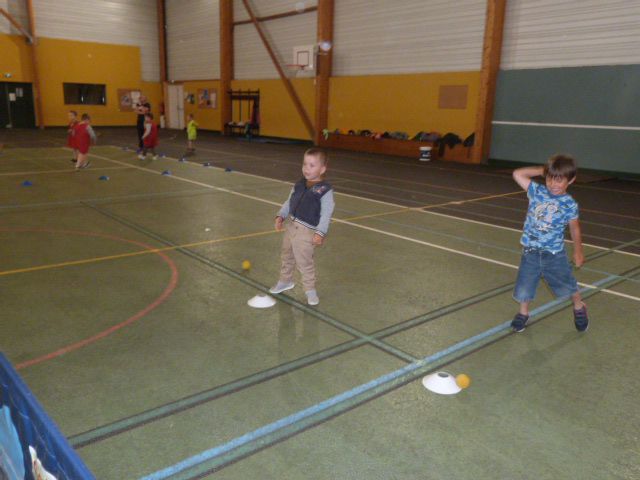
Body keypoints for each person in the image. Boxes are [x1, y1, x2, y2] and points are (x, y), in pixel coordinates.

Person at [511, 154, 589, 333]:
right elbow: (517, 174)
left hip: (554, 255)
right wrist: (544, 170)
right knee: (525, 285)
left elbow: (575, 228)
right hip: (530, 251)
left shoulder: (569, 204)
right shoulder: (536, 191)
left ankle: (579, 306)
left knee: (567, 285)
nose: (553, 184)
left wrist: (578, 251)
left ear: (571, 180)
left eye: (559, 180)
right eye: (550, 179)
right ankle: (523, 313)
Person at [269, 148, 335, 305]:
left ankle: (310, 290)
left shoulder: (324, 190)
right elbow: (289, 201)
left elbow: (326, 214)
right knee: (286, 256)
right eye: (305, 164)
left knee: (305, 263)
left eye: (312, 165)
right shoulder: (299, 184)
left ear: (322, 169)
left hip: (307, 232)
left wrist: (320, 233)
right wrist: (281, 215)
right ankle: (285, 281)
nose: (306, 168)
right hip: (291, 226)